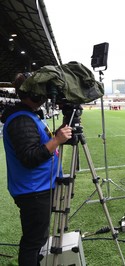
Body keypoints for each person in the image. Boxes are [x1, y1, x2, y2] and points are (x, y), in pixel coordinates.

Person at [1, 72, 72, 266]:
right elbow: (29, 157)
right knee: (34, 242)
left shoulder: (28, 115)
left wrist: (59, 134)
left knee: (38, 239)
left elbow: (41, 144)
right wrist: (56, 140)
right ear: (33, 94)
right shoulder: (21, 120)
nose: (46, 96)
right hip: (33, 191)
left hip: (39, 187)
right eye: (42, 91)